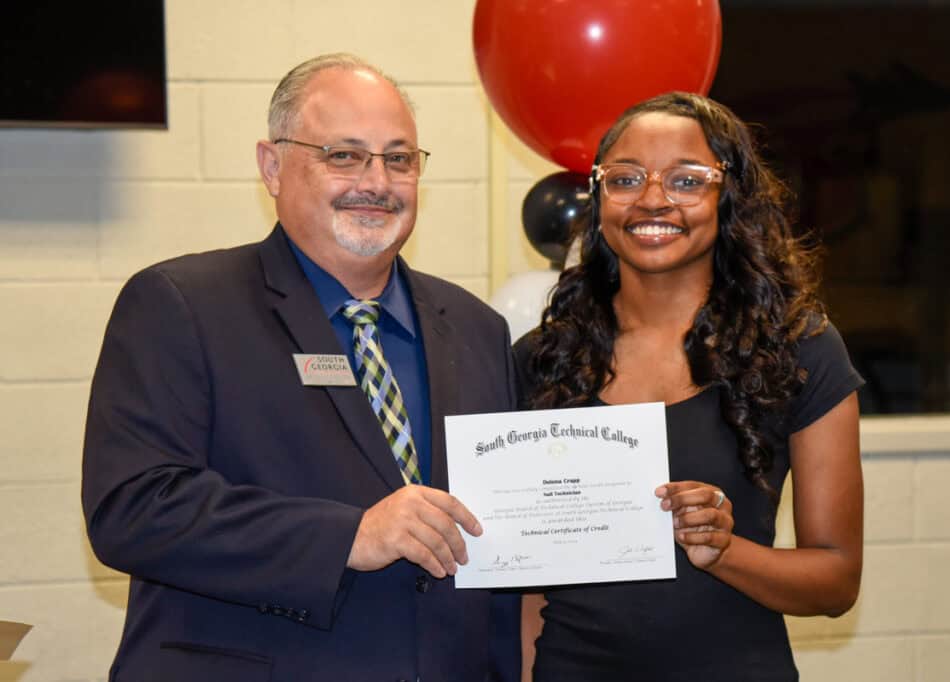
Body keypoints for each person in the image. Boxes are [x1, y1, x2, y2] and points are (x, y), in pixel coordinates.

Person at [82, 53, 519, 682]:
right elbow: (133, 510)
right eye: (343, 155)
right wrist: (350, 535)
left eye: (399, 159)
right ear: (271, 166)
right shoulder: (181, 305)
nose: (376, 181)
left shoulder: (478, 328)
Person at [514, 92, 864, 681]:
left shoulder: (797, 350)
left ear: (729, 196)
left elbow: (836, 581)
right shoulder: (544, 358)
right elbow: (524, 587)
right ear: (599, 196)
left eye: (686, 179)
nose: (653, 199)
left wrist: (723, 551)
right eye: (625, 178)